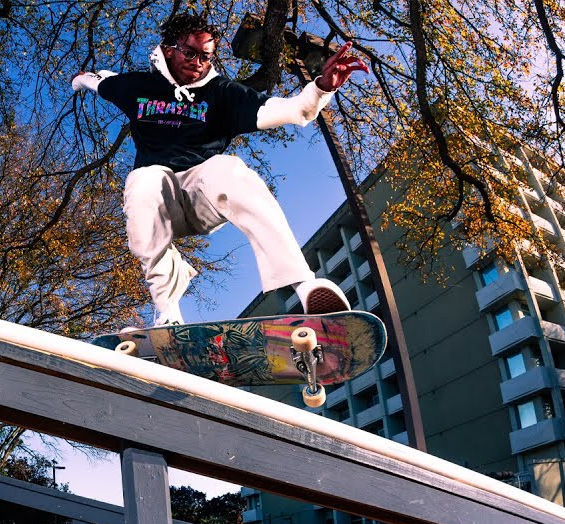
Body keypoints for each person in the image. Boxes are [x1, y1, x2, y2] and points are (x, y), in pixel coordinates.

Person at [72, 13, 368, 326]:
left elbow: (291, 110)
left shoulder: (222, 93)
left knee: (227, 167)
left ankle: (304, 284)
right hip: (160, 200)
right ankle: (169, 312)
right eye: (190, 53)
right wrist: (80, 79)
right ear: (169, 50)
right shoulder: (137, 86)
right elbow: (100, 82)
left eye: (206, 56)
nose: (198, 62)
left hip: (204, 195)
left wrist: (321, 88)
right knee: (144, 180)